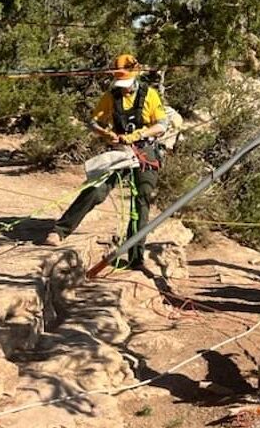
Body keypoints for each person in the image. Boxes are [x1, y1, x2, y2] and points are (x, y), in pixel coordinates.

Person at [47, 54, 169, 269]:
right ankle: (61, 230)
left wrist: (138, 135)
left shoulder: (150, 95)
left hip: (145, 151)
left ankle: (135, 255)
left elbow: (161, 125)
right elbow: (94, 122)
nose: (124, 89)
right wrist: (105, 134)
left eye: (127, 84)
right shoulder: (110, 97)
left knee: (141, 199)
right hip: (121, 151)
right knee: (97, 190)